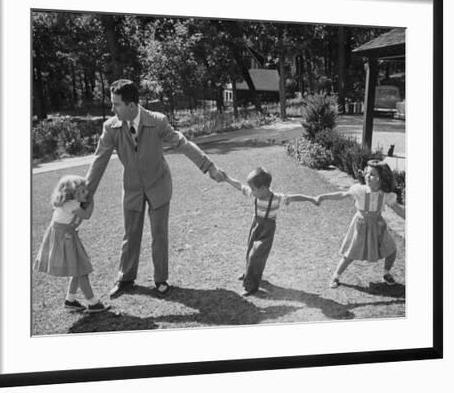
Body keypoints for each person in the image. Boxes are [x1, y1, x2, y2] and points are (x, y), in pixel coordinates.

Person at [78, 79, 225, 298]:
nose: (112, 109)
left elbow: (182, 143)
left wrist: (209, 167)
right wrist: (85, 197)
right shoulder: (111, 127)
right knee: (131, 235)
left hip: (159, 186)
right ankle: (125, 278)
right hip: (132, 189)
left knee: (159, 234)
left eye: (116, 104)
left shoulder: (157, 121)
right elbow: (99, 162)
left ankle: (161, 280)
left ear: (131, 105)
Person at [221, 166, 318, 296]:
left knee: (256, 255)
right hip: (255, 225)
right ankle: (249, 273)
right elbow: (239, 186)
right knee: (250, 250)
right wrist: (226, 178)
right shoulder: (255, 193)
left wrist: (311, 198)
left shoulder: (276, 197)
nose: (251, 192)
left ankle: (251, 286)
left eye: (253, 189)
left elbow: (294, 197)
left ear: (262, 189)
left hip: (267, 229)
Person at [316, 160, 406, 288]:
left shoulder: (386, 195)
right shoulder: (359, 190)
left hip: (378, 226)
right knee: (351, 252)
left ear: (381, 178)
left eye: (372, 174)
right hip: (361, 225)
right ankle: (336, 276)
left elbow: (398, 209)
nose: (368, 176)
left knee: (391, 250)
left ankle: (386, 273)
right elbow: (342, 195)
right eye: (367, 173)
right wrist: (324, 196)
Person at [34, 175, 108, 313]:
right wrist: (92, 201)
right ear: (70, 194)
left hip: (67, 236)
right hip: (65, 238)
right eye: (82, 191)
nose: (86, 193)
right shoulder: (71, 204)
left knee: (77, 268)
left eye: (86, 190)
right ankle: (93, 303)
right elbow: (86, 215)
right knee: (82, 271)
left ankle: (71, 300)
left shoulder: (69, 202)